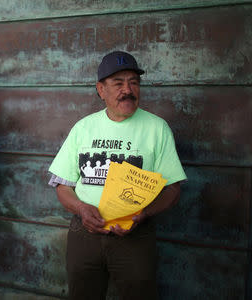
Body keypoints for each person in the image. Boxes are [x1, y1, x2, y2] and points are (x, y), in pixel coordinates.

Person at [48, 51, 187, 299]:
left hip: (134, 236)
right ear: (101, 89)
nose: (127, 89)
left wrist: (144, 213)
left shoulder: (157, 128)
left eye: (133, 82)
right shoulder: (83, 127)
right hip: (85, 234)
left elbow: (173, 190)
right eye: (118, 83)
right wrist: (81, 208)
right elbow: (62, 185)